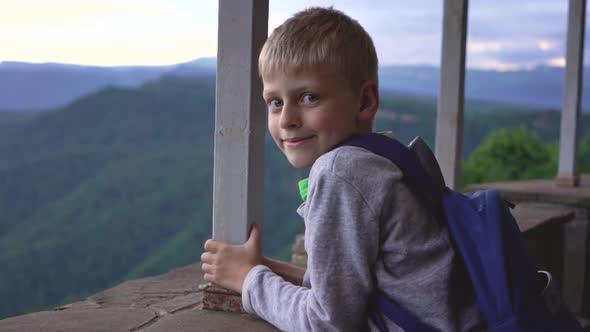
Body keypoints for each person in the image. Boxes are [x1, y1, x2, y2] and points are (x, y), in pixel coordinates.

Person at [201, 6, 484, 331]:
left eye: (308, 97)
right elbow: (348, 285)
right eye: (275, 102)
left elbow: (326, 322)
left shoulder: (340, 171)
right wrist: (264, 268)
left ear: (365, 102)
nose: (287, 119)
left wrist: (249, 280)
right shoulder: (382, 156)